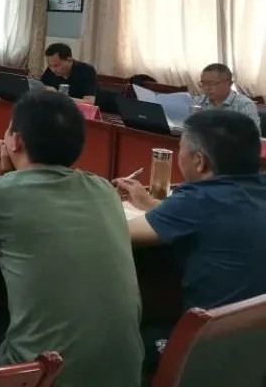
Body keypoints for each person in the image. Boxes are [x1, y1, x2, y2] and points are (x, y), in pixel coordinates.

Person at [0, 91, 143, 387]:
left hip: (47, 377)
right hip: (125, 375)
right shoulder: (104, 189)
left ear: (15, 141)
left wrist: (0, 180)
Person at [114, 110, 266, 371]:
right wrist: (152, 205)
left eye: (181, 149)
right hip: (255, 346)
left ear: (199, 161)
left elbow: (117, 233)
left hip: (210, 348)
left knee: (120, 342)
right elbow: (212, 218)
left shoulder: (198, 200)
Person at [194, 63, 260, 128]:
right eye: (203, 83)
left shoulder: (243, 105)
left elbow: (252, 133)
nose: (206, 88)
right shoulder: (197, 102)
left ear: (229, 83)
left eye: (212, 83)